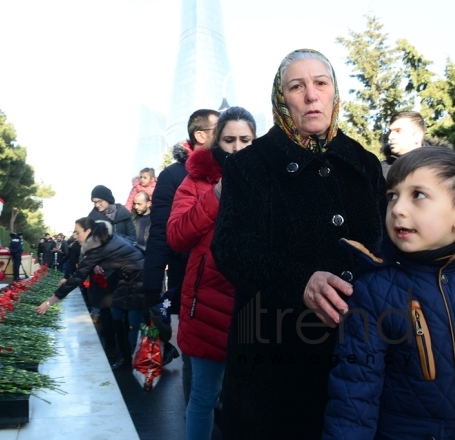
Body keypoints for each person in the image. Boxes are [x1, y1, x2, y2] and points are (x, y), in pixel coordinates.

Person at [210, 49, 387, 439]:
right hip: (274, 361)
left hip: (357, 357)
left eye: (321, 83)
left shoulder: (364, 163)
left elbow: (385, 248)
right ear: (281, 99)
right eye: (297, 86)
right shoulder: (249, 165)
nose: (311, 95)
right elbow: (231, 248)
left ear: (334, 93)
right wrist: (299, 280)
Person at [323, 146, 455, 438]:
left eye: (418, 195)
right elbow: (354, 398)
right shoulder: (373, 291)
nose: (398, 209)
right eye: (392, 196)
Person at [167, 106, 256, 440]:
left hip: (255, 308)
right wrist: (216, 194)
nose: (237, 147)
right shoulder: (197, 180)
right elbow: (176, 236)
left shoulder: (273, 180)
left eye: (245, 140)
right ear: (217, 142)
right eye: (229, 139)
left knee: (250, 401)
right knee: (203, 396)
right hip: (207, 307)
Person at [142, 108, 220, 403]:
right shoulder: (174, 176)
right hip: (190, 278)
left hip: (229, 279)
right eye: (219, 128)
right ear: (201, 135)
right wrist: (151, 285)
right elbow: (160, 231)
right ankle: (195, 415)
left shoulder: (235, 167)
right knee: (194, 355)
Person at [36, 220, 145, 370]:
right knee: (117, 314)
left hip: (138, 281)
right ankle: (127, 359)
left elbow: (78, 276)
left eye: (77, 232)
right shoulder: (108, 238)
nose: (74, 236)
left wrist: (50, 302)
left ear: (88, 231)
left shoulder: (98, 247)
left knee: (135, 323)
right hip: (129, 280)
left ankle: (138, 361)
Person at [383, 111, 455, 235]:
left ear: (417, 136)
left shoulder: (447, 167)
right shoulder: (380, 171)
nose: (391, 136)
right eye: (393, 196)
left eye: (398, 131)